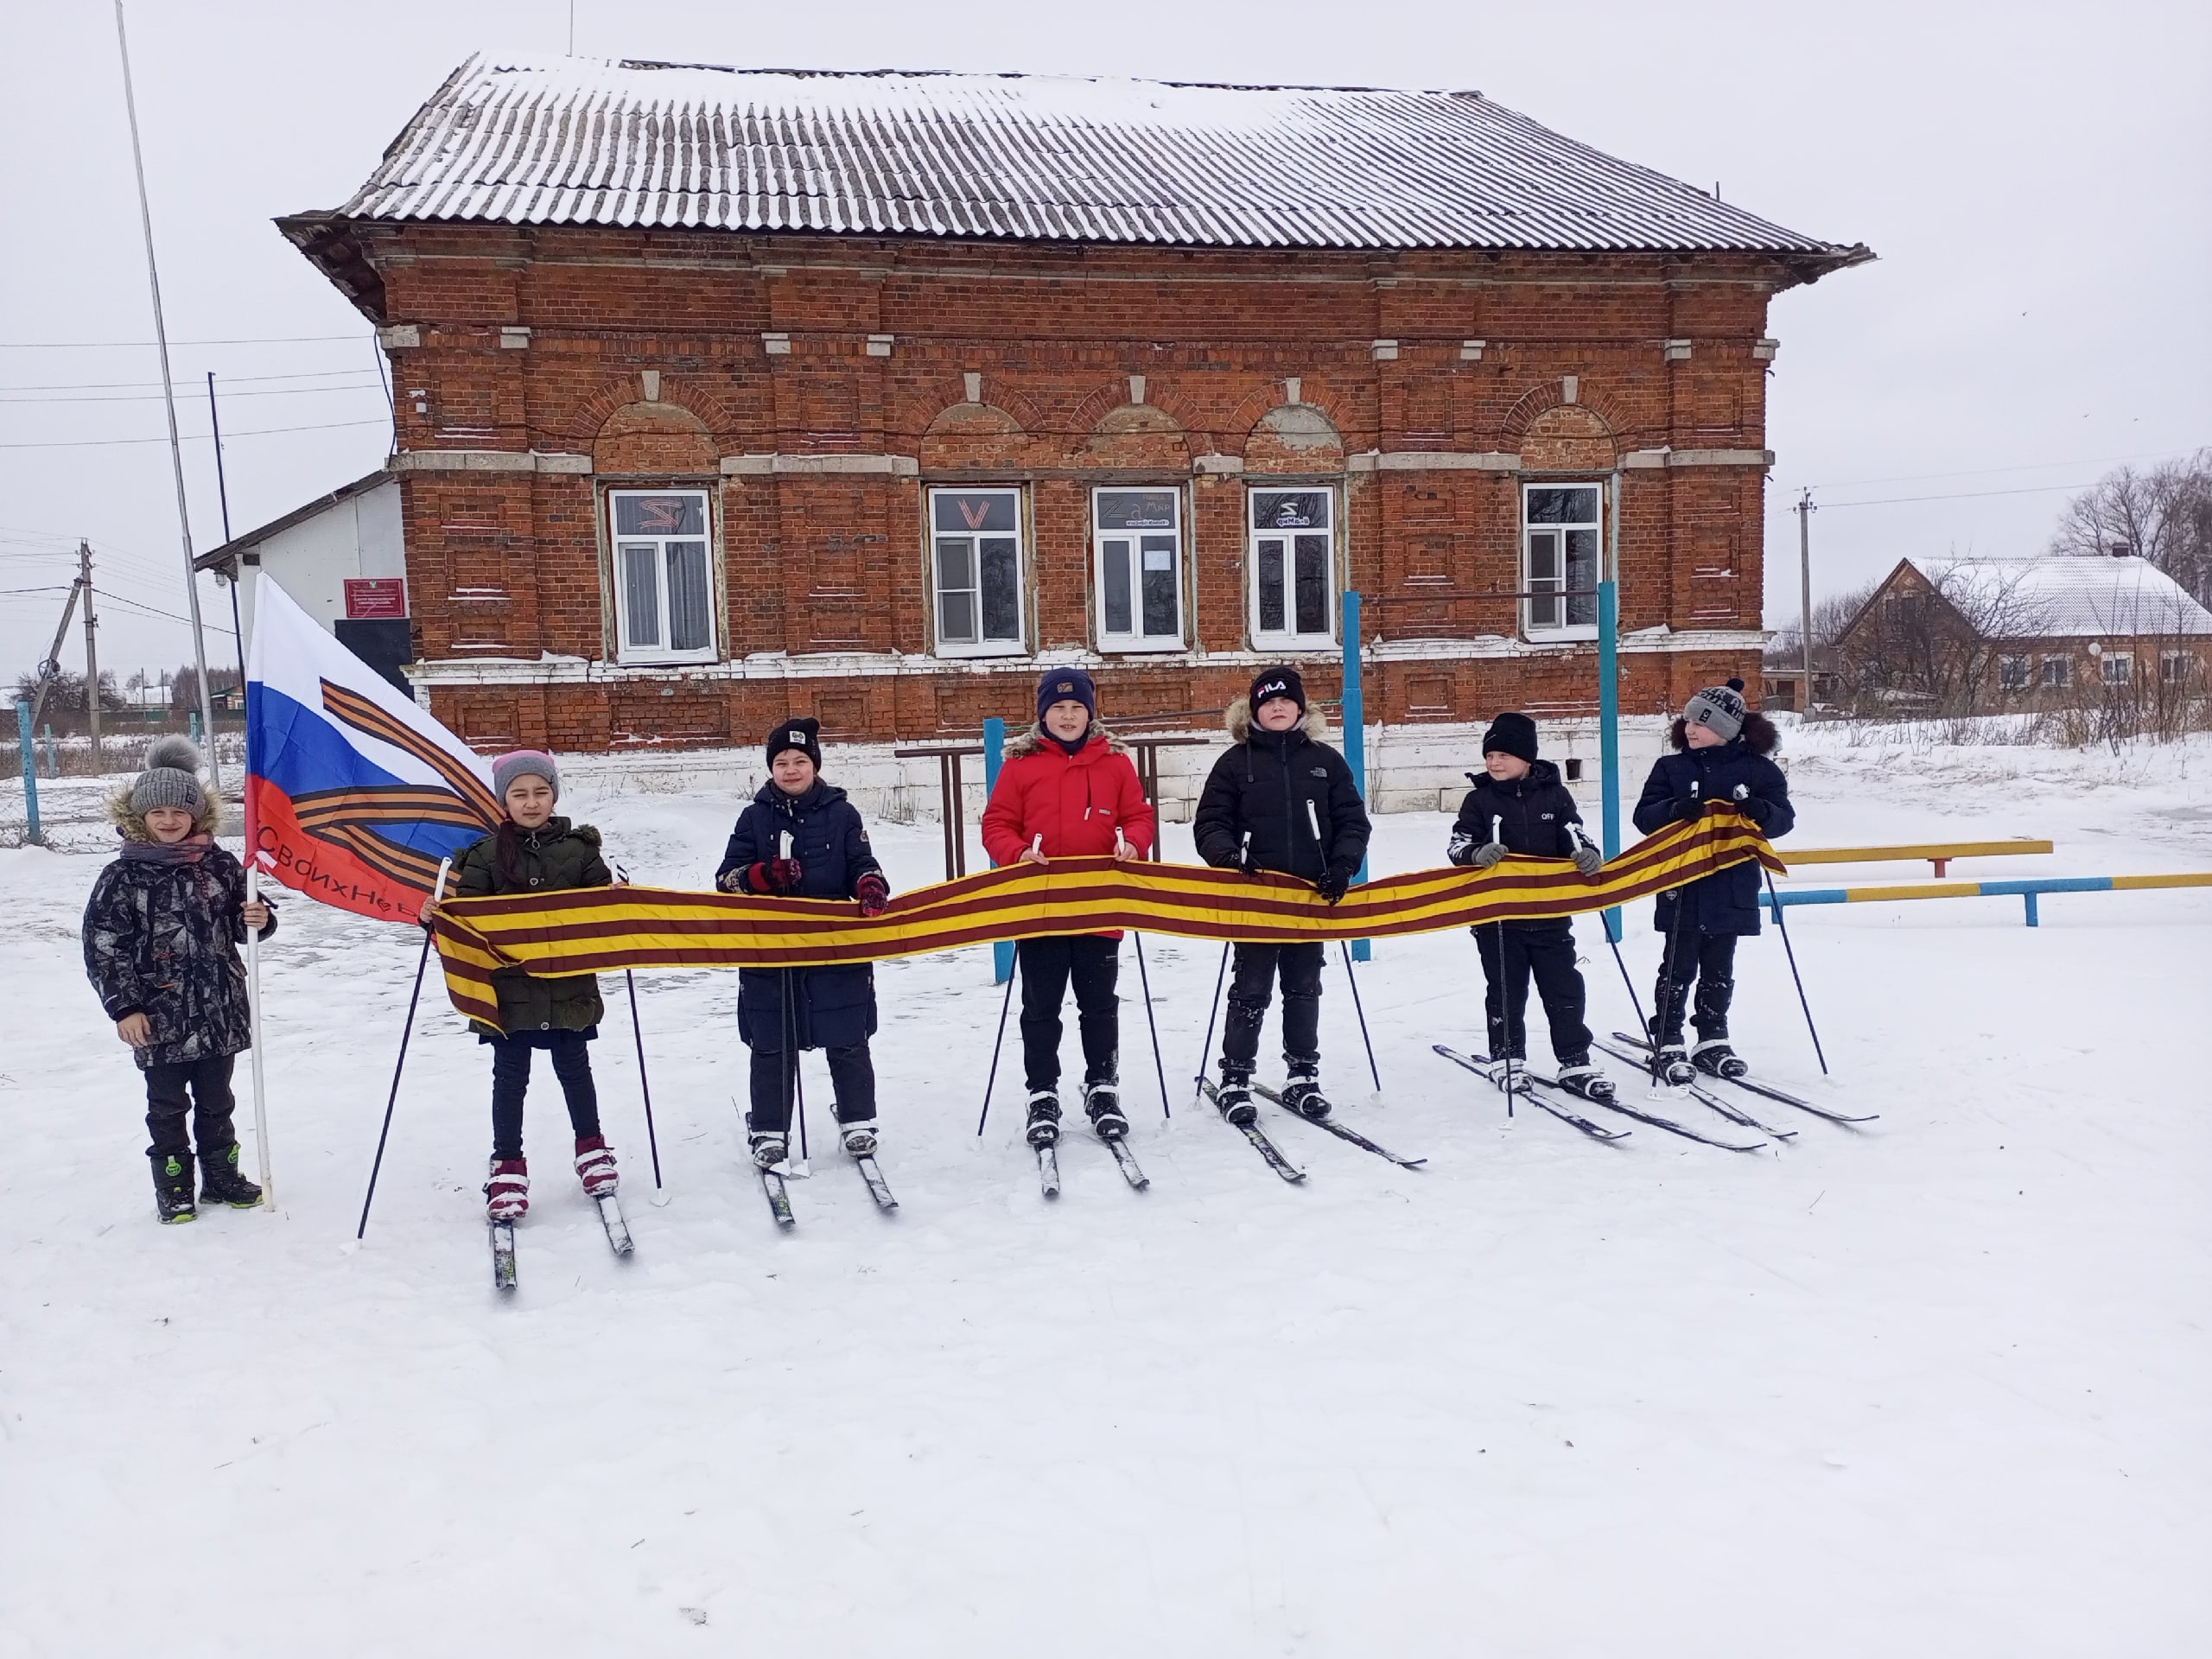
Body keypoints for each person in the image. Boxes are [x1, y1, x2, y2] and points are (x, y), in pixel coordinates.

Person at [82, 736, 277, 1224]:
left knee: (218, 1102)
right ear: (139, 817)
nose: (170, 821)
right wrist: (125, 1008)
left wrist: (258, 917)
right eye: (158, 813)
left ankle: (222, 1176)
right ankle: (174, 1187)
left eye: (179, 811)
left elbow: (241, 922)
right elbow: (105, 946)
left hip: (218, 1010)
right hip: (158, 1017)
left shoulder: (222, 865)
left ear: (197, 813)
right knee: (167, 1108)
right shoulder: (122, 876)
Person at [430, 751, 620, 1221]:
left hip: (567, 987)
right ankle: (508, 1163)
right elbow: (466, 921)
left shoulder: (581, 851)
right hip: (507, 993)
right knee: (510, 1078)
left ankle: (591, 1147)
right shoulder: (484, 857)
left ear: (553, 795)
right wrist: (435, 920)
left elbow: (600, 913)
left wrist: (618, 902)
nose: (531, 803)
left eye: (540, 792)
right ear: (504, 801)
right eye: (520, 794)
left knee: (575, 1071)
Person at [980, 668, 1156, 1149]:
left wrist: (1135, 844)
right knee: (1041, 1007)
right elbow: (996, 823)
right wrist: (1016, 853)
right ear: (1043, 714)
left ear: (1090, 712)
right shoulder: (1020, 764)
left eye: (1077, 707)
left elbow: (1139, 815)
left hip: (1100, 905)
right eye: (1058, 708)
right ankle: (1042, 1092)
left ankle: (1102, 1086)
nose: (1068, 716)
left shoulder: (1115, 762)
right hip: (1041, 908)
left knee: (1099, 1003)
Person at [1191, 666, 1370, 1124]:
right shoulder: (1234, 763)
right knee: (1251, 989)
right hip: (1255, 895)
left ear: (1299, 708)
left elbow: (1352, 821)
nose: (1276, 708)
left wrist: (1342, 868)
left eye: (1285, 702)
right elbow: (1211, 823)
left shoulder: (1326, 762)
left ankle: (1303, 1075)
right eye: (1267, 702)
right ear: (1254, 710)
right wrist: (1229, 857)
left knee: (1304, 987)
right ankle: (1235, 1076)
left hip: (1311, 896)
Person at [715, 716, 892, 1169]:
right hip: (771, 954)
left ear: (814, 764)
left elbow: (861, 862)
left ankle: (858, 1119)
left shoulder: (842, 813)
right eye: (781, 762)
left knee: (848, 1036)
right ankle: (770, 1128)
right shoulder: (753, 817)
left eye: (799, 761)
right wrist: (762, 876)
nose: (791, 770)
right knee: (772, 1041)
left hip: (836, 950)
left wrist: (870, 884)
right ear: (770, 769)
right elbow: (726, 881)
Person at [1631, 679, 1795, 1084]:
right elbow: (1644, 817)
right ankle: (1667, 1037)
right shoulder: (1671, 767)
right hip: (1683, 884)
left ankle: (1712, 1036)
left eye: (1702, 723)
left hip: (1732, 884)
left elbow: (1783, 820)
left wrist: (1760, 811)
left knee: (1719, 966)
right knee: (1677, 965)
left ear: (1727, 729)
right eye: (1688, 720)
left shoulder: (1760, 770)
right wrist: (1673, 809)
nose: (1690, 729)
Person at [1447, 712, 1613, 1101]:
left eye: (1504, 754)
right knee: (1506, 991)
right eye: (1490, 755)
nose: (1495, 762)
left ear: (1527, 759)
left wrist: (1586, 854)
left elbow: (1575, 834)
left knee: (1565, 988)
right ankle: (1507, 1058)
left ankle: (1575, 1059)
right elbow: (1456, 846)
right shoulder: (1479, 800)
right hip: (1498, 920)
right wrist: (1476, 852)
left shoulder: (1555, 796)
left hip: (1550, 916)